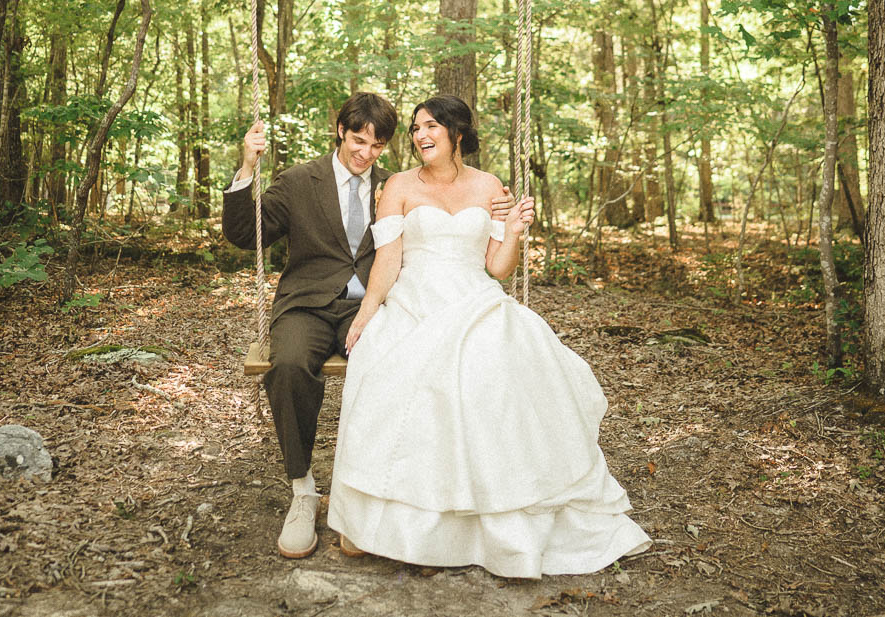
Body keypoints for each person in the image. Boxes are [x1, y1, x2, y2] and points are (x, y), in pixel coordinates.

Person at [328, 95, 649, 578]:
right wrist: (367, 313)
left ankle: (497, 511)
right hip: (415, 299)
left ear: (456, 132)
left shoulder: (491, 187)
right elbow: (389, 259)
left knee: (495, 365)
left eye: (430, 126)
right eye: (416, 129)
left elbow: (497, 267)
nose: (420, 136)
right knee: (391, 366)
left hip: (474, 298)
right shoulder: (396, 186)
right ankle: (378, 520)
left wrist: (515, 229)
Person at [223, 94, 516, 559]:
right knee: (291, 366)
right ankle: (302, 491)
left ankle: (370, 496)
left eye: (377, 145)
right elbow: (243, 234)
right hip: (309, 304)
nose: (365, 153)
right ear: (341, 129)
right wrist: (247, 167)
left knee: (399, 367)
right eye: (359, 140)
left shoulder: (394, 184)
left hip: (380, 306)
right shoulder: (300, 180)